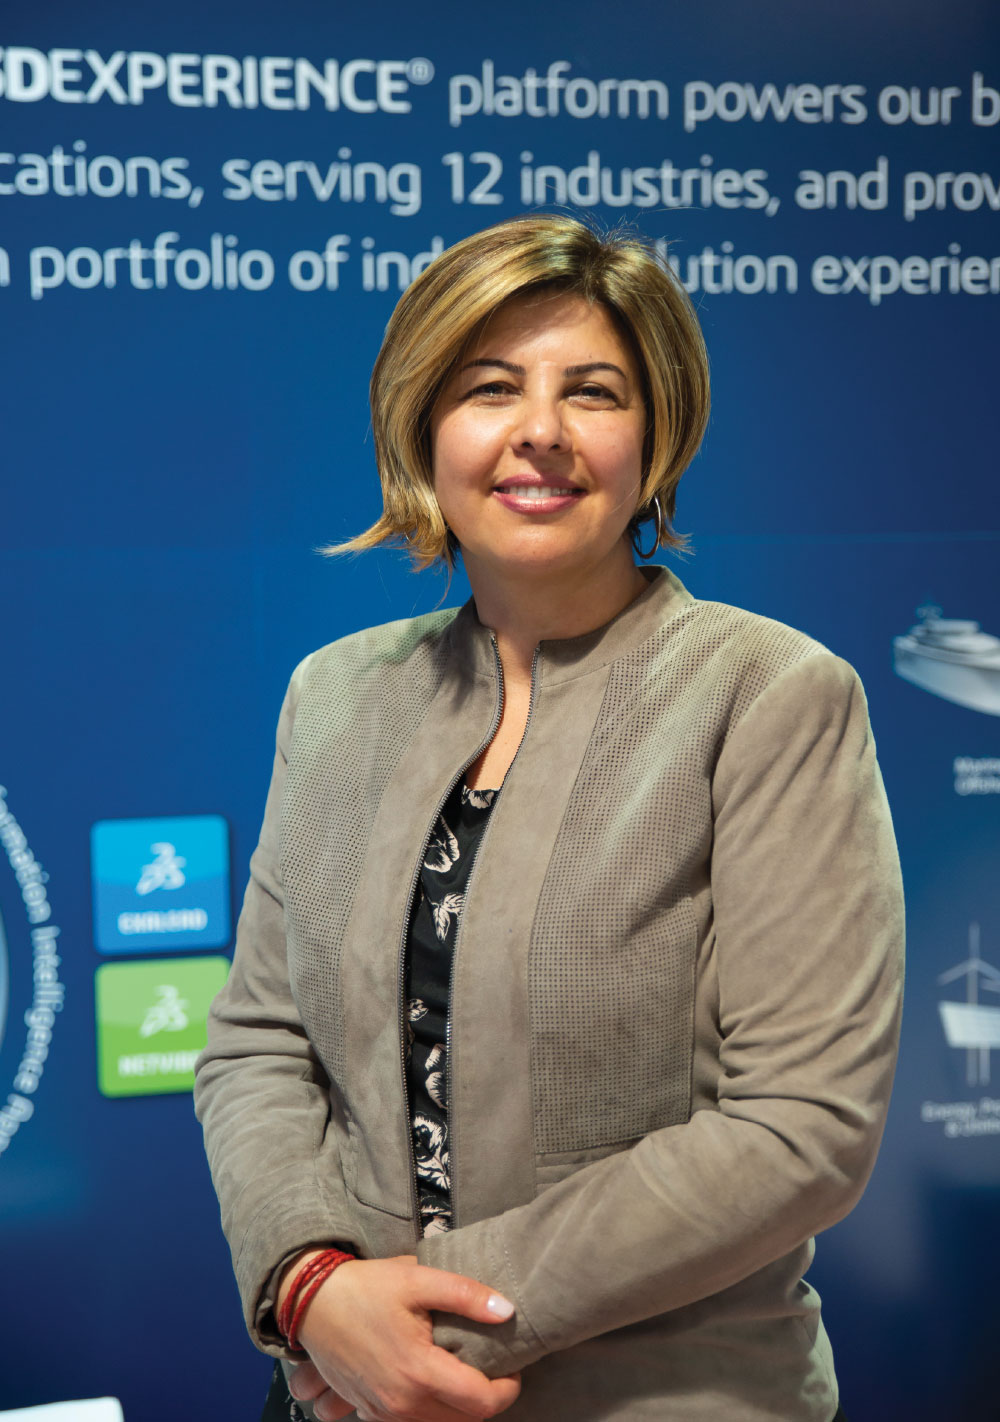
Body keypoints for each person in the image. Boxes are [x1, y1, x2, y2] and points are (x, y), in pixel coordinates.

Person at [194, 214, 904, 1422]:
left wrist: (405, 1323)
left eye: (592, 391)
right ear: (424, 429)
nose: (539, 430)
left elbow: (800, 1126)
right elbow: (258, 1044)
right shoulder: (335, 695)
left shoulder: (772, 696)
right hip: (337, 1392)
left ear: (656, 437)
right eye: (489, 389)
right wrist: (311, 1286)